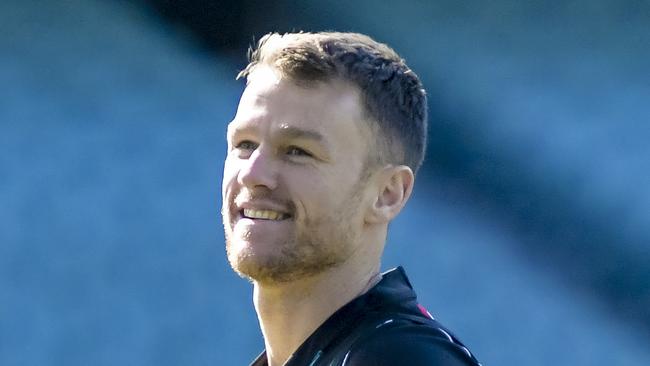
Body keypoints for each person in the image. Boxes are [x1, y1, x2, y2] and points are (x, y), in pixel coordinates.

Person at [222, 31, 480, 366]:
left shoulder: (401, 358)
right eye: (244, 144)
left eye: (297, 151)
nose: (253, 174)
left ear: (388, 194)